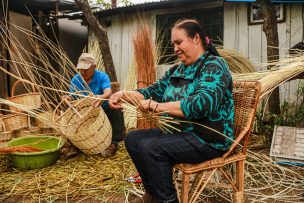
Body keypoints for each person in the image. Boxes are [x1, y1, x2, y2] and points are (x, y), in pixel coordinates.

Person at [109, 19, 234, 203]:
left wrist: (159, 106)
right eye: (173, 44)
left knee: (151, 149)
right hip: (179, 131)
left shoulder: (214, 65)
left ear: (196, 39)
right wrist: (122, 94)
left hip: (207, 137)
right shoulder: (177, 70)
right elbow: (150, 93)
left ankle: (167, 200)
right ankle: (152, 195)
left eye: (179, 42)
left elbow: (202, 104)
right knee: (133, 139)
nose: (175, 48)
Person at [65, 52, 125, 158]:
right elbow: (73, 97)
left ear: (94, 66)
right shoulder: (76, 79)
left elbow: (108, 92)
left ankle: (113, 143)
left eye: (86, 68)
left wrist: (101, 97)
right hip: (85, 112)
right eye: (81, 69)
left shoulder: (102, 76)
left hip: (103, 108)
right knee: (68, 113)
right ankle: (75, 145)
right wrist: (67, 98)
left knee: (116, 106)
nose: (83, 71)